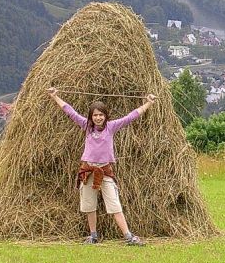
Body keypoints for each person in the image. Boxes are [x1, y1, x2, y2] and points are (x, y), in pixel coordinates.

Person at [47, 87, 157, 246]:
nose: (98, 118)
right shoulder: (86, 126)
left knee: (114, 204)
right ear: (91, 117)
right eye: (95, 115)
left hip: (105, 171)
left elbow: (131, 116)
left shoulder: (111, 127)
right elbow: (70, 111)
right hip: (88, 171)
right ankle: (93, 236)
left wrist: (148, 103)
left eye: (101, 115)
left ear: (106, 116)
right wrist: (55, 96)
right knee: (89, 205)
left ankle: (128, 236)